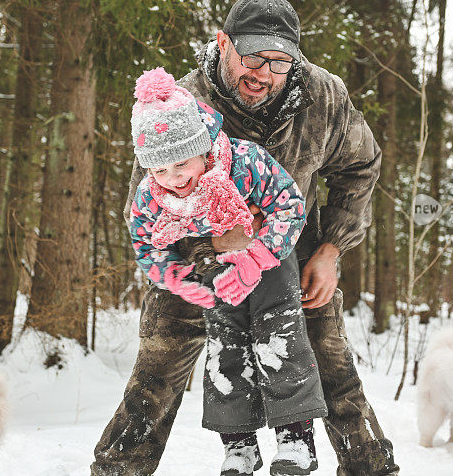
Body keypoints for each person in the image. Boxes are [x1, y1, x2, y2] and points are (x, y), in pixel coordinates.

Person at [92, 0, 399, 476]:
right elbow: (146, 211)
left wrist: (330, 248)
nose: (263, 72)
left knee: (334, 370)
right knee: (155, 379)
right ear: (223, 44)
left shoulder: (323, 96)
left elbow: (361, 166)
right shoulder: (180, 104)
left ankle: (371, 470)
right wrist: (216, 244)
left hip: (288, 254)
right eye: (252, 56)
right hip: (196, 262)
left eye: (279, 62)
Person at [126, 66, 327, 475]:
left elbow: (290, 205)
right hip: (213, 264)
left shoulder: (244, 162)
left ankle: (295, 438)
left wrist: (256, 257)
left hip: (268, 254)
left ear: (202, 148)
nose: (174, 178)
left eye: (181, 163)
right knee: (225, 347)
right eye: (159, 170)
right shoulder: (152, 194)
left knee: (279, 336)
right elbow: (144, 242)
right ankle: (238, 445)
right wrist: (174, 278)